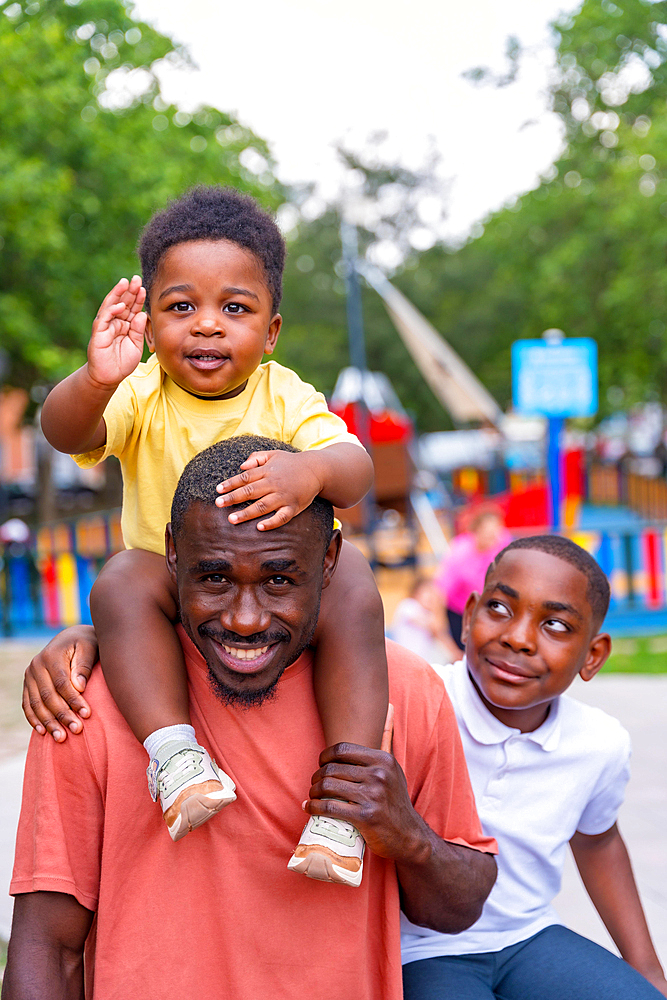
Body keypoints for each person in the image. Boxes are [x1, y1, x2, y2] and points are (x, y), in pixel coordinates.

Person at [5, 437, 497, 1000]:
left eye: (279, 581)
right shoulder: (82, 700)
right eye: (214, 578)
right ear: (171, 553)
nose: (244, 620)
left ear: (330, 561)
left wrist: (406, 834)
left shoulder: (403, 692)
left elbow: (459, 910)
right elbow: (47, 947)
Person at [28, 186, 387, 883]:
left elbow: (356, 469)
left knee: (355, 586)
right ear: (152, 322)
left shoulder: (285, 396)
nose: (207, 327)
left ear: (271, 331)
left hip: (277, 588)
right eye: (181, 306)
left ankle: (342, 805)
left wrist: (309, 471)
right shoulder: (141, 390)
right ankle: (176, 759)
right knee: (122, 576)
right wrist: (97, 381)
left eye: (235, 308)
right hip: (179, 590)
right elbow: (65, 431)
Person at [401, 534, 667, 1000]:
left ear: (593, 656)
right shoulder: (418, 703)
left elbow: (599, 840)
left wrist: (646, 968)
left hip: (528, 936)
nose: (518, 638)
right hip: (422, 948)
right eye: (500, 609)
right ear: (468, 618)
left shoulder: (599, 744)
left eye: (556, 626)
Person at [434, 507, 511, 650]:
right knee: (465, 647)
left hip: (486, 607)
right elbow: (441, 588)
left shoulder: (500, 543)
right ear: (477, 532)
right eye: (488, 534)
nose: (493, 538)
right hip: (459, 609)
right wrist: (439, 622)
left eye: (495, 534)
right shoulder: (461, 551)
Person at [390, 577, 459, 662]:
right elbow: (435, 628)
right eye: (427, 592)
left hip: (422, 662)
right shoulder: (408, 606)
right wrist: (438, 608)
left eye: (433, 593)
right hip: (406, 661)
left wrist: (457, 655)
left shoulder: (428, 614)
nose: (431, 596)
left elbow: (441, 635)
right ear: (416, 592)